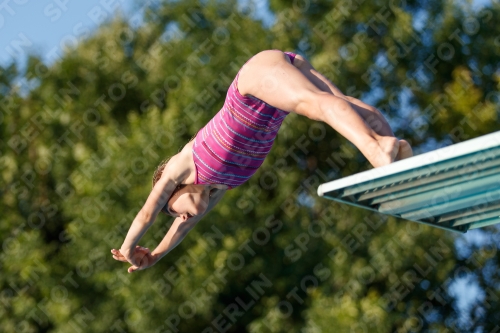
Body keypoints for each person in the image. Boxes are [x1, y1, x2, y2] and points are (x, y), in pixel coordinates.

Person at [110, 49, 413, 273]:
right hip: (277, 88)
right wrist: (156, 256)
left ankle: (377, 153)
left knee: (315, 105)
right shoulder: (220, 188)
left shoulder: (183, 164)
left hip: (255, 82)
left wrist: (127, 249)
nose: (182, 219)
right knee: (352, 108)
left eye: (175, 212)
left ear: (175, 191)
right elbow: (185, 230)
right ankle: (394, 154)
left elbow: (147, 214)